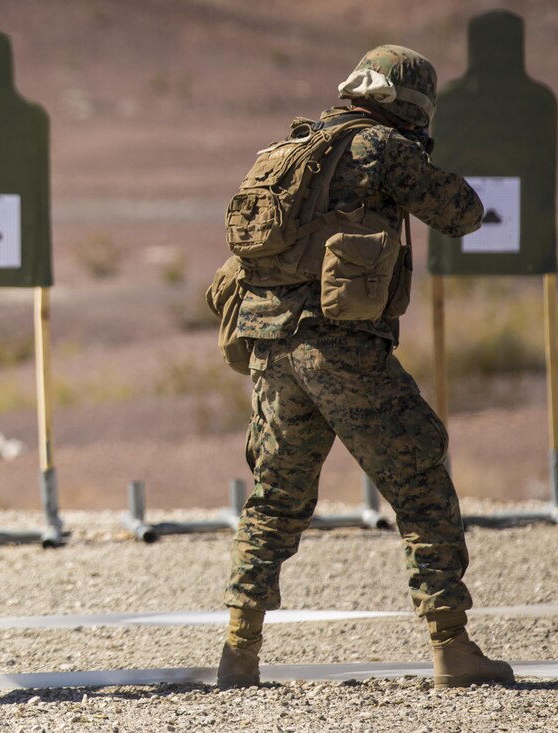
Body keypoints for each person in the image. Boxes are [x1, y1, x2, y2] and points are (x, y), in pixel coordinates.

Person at [216, 46, 515, 690]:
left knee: (275, 497)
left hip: (271, 349)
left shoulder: (289, 148)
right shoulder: (381, 147)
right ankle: (452, 646)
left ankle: (239, 650)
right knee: (421, 476)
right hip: (341, 348)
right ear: (411, 103)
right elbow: (462, 212)